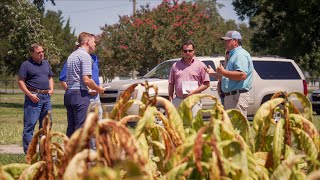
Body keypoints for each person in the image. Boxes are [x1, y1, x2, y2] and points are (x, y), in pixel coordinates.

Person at [64, 32, 104, 137]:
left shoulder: (71, 56)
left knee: (71, 128)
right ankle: (79, 152)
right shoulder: (85, 56)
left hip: (69, 93)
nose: (95, 44)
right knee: (81, 129)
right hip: (80, 95)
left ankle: (69, 152)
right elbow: (87, 80)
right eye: (94, 42)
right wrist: (98, 89)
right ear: (87, 42)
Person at [18, 43, 54, 154]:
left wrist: (51, 89)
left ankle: (44, 152)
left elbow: (50, 77)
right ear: (32, 53)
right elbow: (20, 81)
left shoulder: (46, 63)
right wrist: (30, 95)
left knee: (46, 125)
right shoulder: (26, 65)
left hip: (46, 98)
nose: (41, 54)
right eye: (38, 52)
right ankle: (29, 153)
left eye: (42, 51)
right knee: (30, 125)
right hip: (33, 98)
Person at [168, 40, 210, 117]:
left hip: (193, 100)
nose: (187, 53)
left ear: (194, 51)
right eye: (185, 51)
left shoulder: (200, 65)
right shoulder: (175, 66)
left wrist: (194, 92)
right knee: (177, 126)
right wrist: (170, 98)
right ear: (182, 52)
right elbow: (171, 83)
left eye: (190, 50)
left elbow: (206, 84)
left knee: (193, 126)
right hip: (178, 100)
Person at [217, 30, 253, 117]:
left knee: (237, 127)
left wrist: (223, 72)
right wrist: (214, 74)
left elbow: (242, 75)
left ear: (235, 41)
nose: (225, 43)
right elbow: (228, 77)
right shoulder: (232, 55)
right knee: (231, 127)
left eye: (228, 40)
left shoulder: (240, 54)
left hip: (237, 97)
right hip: (232, 97)